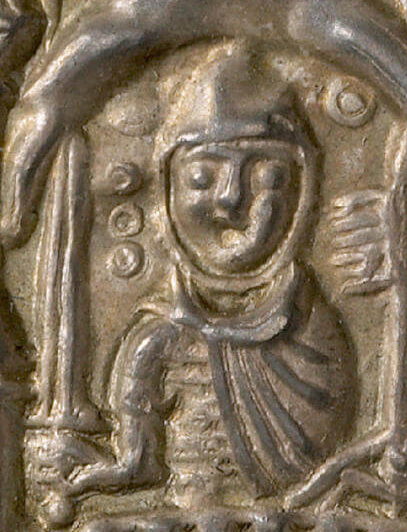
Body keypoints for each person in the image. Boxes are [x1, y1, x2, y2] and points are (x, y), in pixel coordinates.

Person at [68, 46, 355, 506]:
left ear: (302, 195)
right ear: (167, 194)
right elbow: (139, 466)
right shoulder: (154, 339)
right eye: (202, 178)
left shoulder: (316, 337)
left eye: (267, 177)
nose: (230, 198)